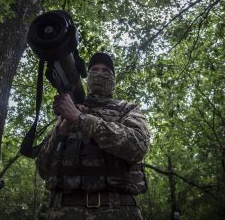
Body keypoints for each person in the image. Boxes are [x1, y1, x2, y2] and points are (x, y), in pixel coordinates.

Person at [36, 52, 150, 220]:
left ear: (113, 79)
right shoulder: (69, 113)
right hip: (63, 213)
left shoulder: (127, 109)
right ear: (87, 77)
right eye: (95, 69)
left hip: (118, 211)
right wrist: (62, 129)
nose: (99, 73)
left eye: (105, 70)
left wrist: (81, 119)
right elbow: (44, 169)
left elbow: (138, 145)